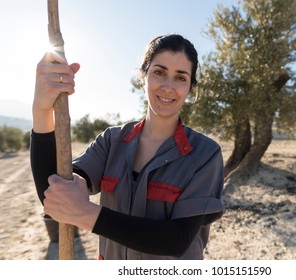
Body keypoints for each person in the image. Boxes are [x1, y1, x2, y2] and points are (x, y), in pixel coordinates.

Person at [30, 34, 224, 260]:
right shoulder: (112, 141)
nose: (169, 86)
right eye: (159, 72)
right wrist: (41, 110)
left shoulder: (205, 154)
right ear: (143, 76)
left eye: (180, 77)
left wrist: (86, 214)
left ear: (190, 86)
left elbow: (177, 240)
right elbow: (52, 192)